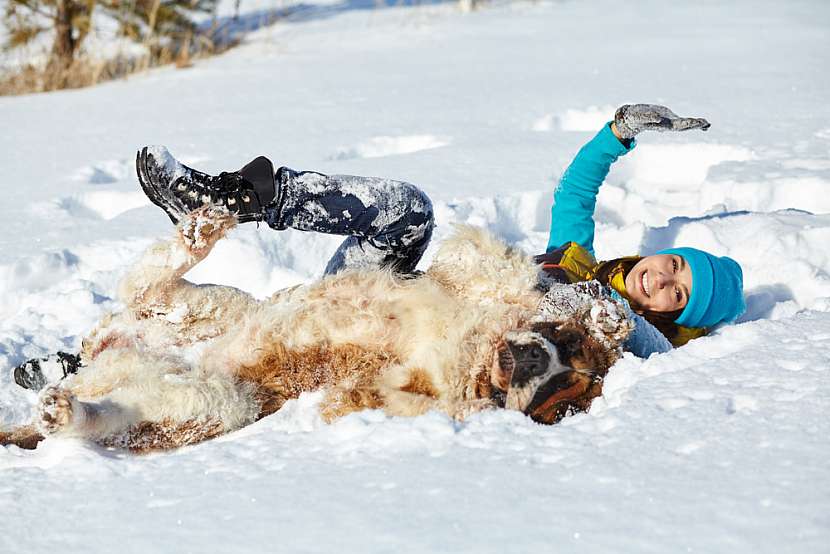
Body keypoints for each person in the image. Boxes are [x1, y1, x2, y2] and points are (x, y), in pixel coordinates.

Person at [13, 103, 745, 391]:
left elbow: (654, 352)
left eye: (679, 298)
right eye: (677, 267)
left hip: (405, 346)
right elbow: (575, 195)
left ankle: (85, 369)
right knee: (407, 214)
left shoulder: (612, 338)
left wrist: (640, 327)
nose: (664, 278)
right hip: (399, 299)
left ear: (672, 319)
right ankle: (232, 199)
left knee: (259, 347)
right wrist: (618, 131)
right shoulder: (579, 262)